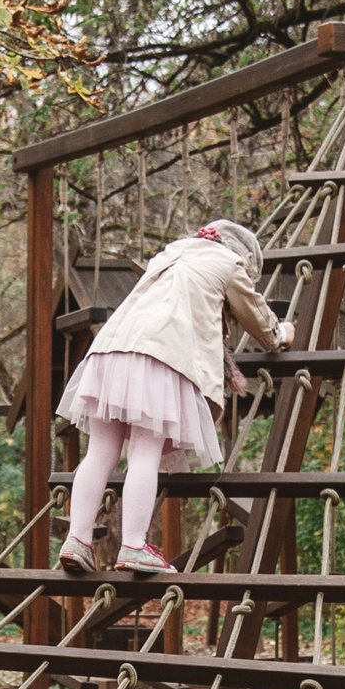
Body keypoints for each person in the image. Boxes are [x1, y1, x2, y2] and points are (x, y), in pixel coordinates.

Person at [58, 219, 291, 575]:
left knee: (100, 451)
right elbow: (260, 322)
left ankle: (77, 539)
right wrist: (283, 332)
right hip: (159, 358)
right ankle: (134, 545)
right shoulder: (230, 265)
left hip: (109, 351)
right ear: (242, 256)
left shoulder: (170, 253)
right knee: (145, 451)